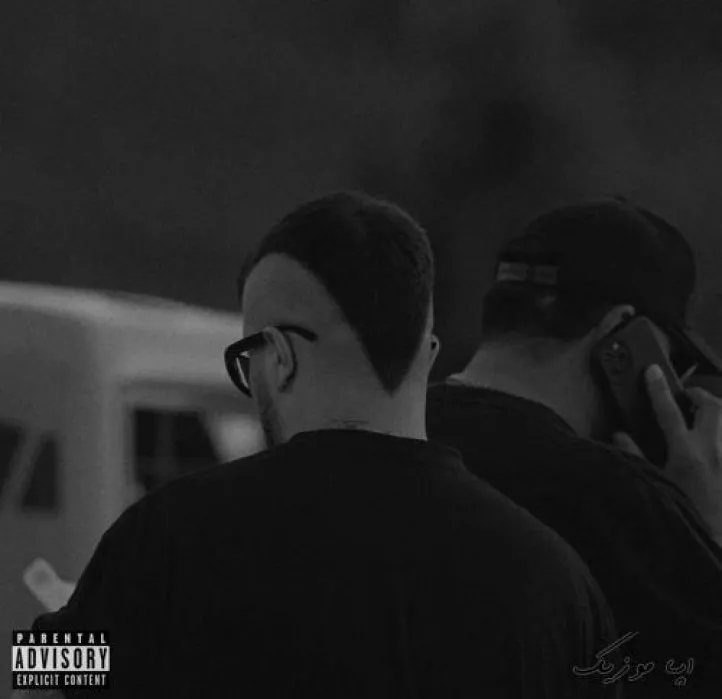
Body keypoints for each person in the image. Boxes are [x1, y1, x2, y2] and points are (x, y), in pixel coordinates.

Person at [32, 192, 619, 698]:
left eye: (248, 358)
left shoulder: (167, 538)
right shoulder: (555, 585)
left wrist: (72, 619)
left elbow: (45, 681)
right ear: (428, 355)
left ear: (281, 358)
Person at [427, 197, 722, 698]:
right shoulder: (622, 504)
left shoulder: (385, 437)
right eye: (673, 360)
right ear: (623, 336)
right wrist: (704, 529)